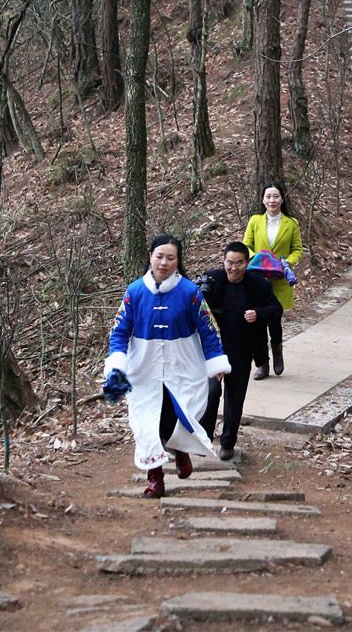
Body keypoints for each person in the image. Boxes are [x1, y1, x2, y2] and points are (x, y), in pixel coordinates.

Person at [103, 235, 230, 498]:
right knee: (147, 421)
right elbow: (118, 332)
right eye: (159, 256)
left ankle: (181, 450)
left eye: (170, 258)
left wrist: (215, 360)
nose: (164, 262)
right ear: (150, 256)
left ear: (178, 261)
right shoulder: (135, 291)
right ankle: (155, 479)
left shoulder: (190, 292)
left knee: (180, 410)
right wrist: (117, 363)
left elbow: (208, 328)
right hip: (144, 365)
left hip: (182, 361)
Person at [200, 242, 283, 461]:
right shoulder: (212, 279)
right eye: (230, 262)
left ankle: (227, 442)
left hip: (242, 350)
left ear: (247, 263)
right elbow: (192, 307)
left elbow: (276, 309)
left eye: (239, 263)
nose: (234, 268)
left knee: (234, 399)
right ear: (223, 261)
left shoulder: (259, 285)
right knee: (210, 392)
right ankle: (205, 437)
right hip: (213, 351)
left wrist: (258, 313)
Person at [242, 181, 302, 379]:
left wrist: (284, 263)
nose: (272, 200)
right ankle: (262, 364)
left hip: (280, 281)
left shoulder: (291, 223)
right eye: (268, 196)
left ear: (282, 199)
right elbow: (246, 247)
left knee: (274, 320)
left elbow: (297, 250)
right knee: (257, 322)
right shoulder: (255, 221)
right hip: (257, 280)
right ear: (263, 199)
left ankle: (277, 353)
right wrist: (260, 259)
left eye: (276, 196)